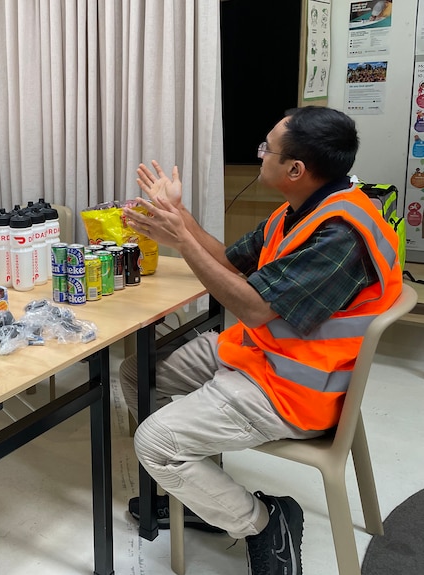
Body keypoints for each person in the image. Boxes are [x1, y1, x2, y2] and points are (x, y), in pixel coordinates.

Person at [120, 106, 402, 574]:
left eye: (266, 149)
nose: (259, 155)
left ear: (295, 169)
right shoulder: (299, 212)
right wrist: (178, 216)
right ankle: (205, 493)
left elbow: (250, 306)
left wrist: (181, 241)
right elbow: (231, 266)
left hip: (296, 388)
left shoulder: (339, 233)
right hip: (260, 353)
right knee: (138, 372)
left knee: (155, 443)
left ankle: (263, 522)